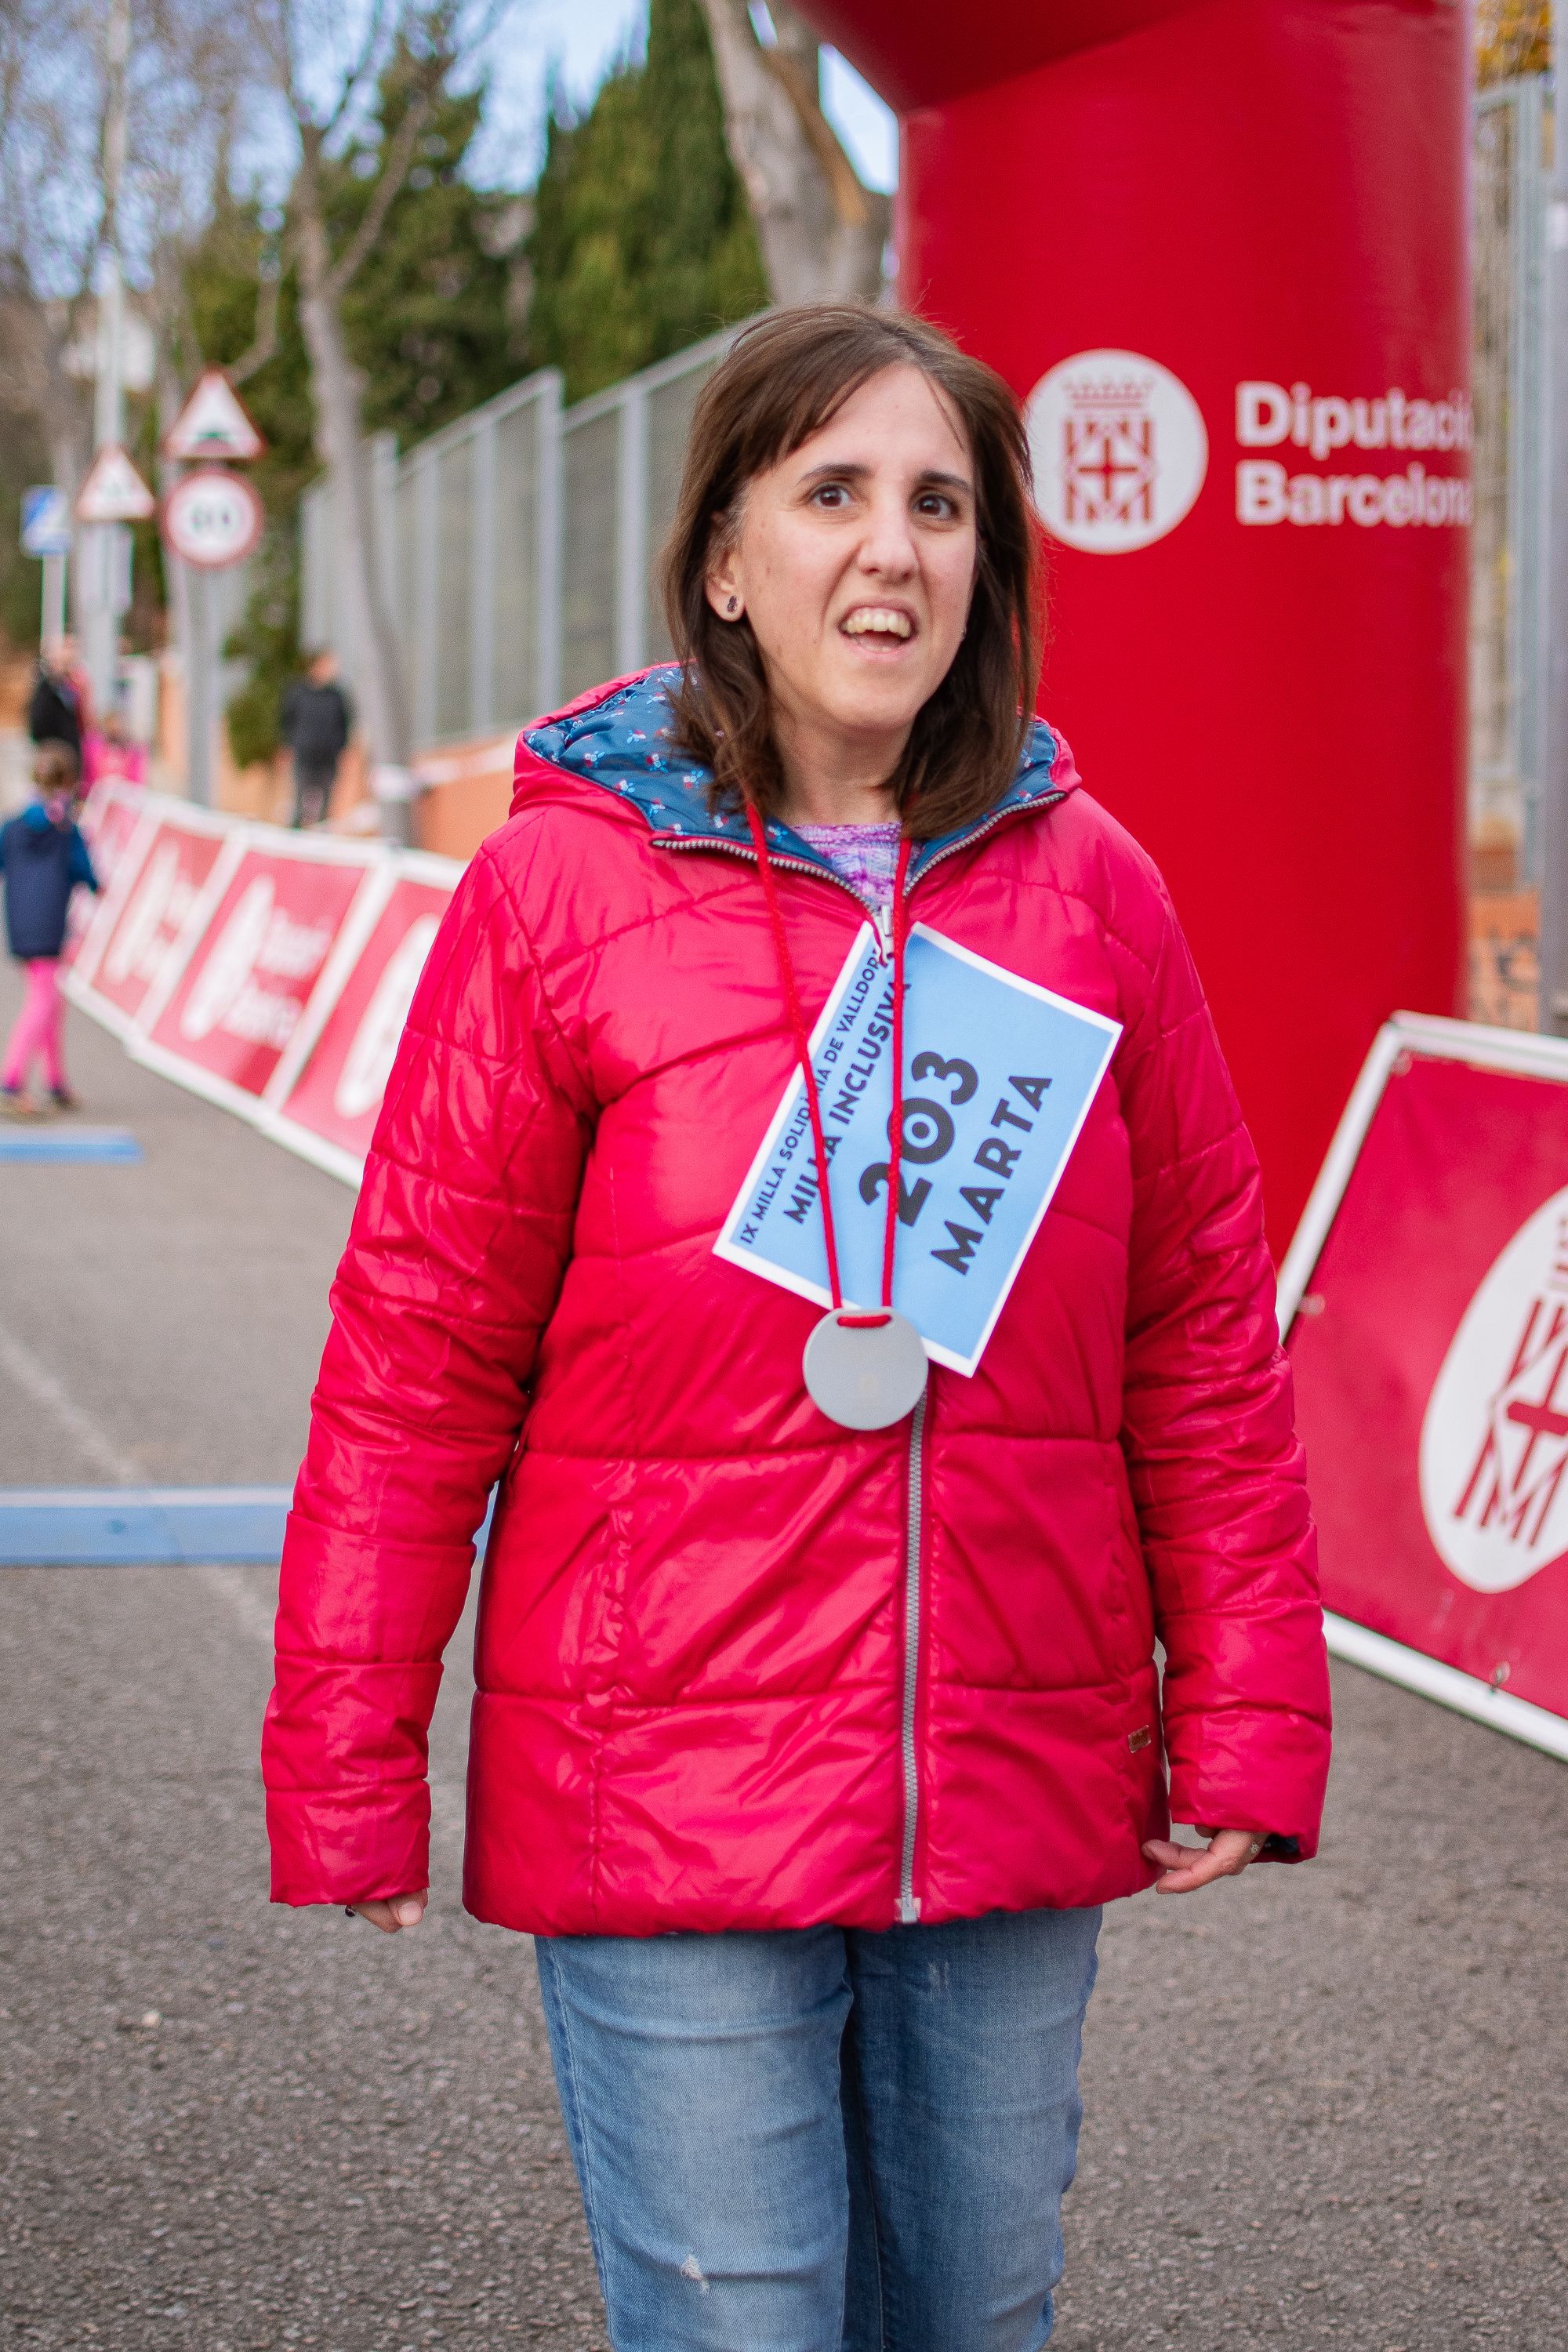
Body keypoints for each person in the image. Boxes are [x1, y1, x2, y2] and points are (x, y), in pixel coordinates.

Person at [263, 304, 1331, 2351]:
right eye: (831, 492)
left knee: (976, 2321)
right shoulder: (554, 896)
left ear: (987, 568)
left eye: (940, 504)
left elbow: (1201, 1335)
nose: (891, 549)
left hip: (1009, 1774)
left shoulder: (1097, 894)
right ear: (726, 562)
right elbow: (415, 1362)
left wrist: (1250, 1711)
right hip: (663, 1773)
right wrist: (345, 1759)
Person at [2, 744, 98, 1116]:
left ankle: (56, 1082)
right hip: (50, 923)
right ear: (70, 782)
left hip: (20, 923)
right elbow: (87, 873)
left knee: (51, 1001)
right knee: (42, 1002)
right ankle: (10, 1082)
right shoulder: (65, 829)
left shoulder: (13, 826)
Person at [279, 648, 352, 828]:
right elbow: (287, 720)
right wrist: (289, 745)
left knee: (325, 803)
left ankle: (320, 836)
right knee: (300, 799)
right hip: (304, 754)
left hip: (328, 757)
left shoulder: (337, 696)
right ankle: (295, 834)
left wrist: (341, 747)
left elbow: (345, 723)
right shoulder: (298, 693)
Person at [27, 635, 89, 771]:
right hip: (55, 749)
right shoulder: (47, 688)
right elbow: (38, 721)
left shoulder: (75, 684)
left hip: (71, 749)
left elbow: (84, 718)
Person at [82, 702, 148, 792]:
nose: (115, 729)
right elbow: (89, 776)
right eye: (111, 725)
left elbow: (136, 783)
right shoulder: (95, 748)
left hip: (124, 795)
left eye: (118, 725)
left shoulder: (133, 753)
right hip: (98, 794)